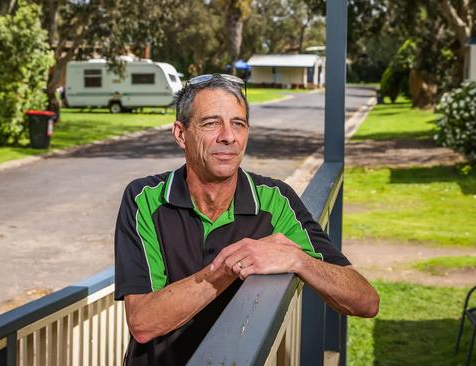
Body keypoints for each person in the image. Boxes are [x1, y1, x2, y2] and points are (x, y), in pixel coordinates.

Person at [114, 74, 379, 365]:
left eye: (238, 124)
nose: (228, 136)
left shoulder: (274, 199)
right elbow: (142, 321)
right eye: (211, 123)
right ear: (181, 134)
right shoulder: (145, 198)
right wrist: (230, 267)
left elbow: (365, 300)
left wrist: (298, 260)